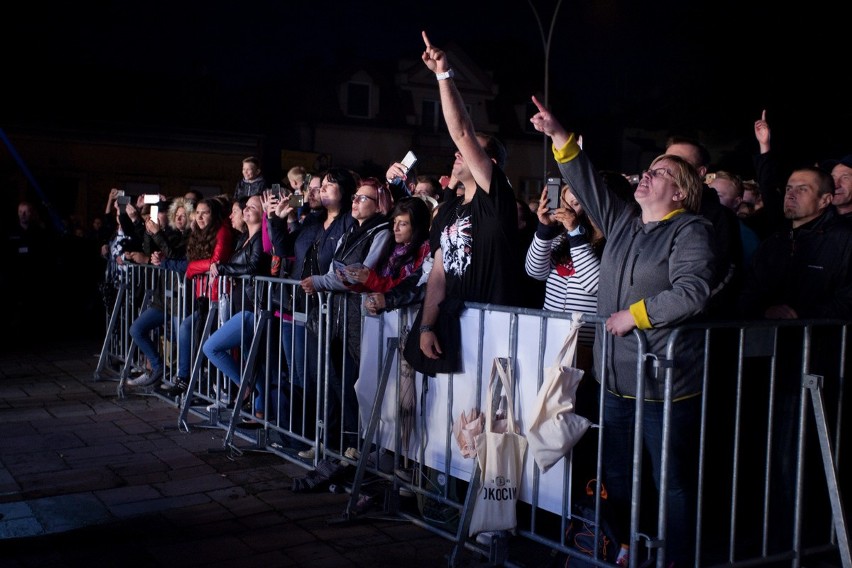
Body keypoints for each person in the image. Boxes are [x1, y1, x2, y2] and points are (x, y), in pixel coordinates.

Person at [530, 95, 717, 567]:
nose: (646, 174)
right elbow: (587, 185)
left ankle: (674, 554)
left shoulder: (691, 230)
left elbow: (693, 291)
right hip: (616, 382)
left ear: (680, 193)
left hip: (665, 387)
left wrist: (634, 315)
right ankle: (629, 542)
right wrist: (558, 136)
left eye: (661, 173)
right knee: (618, 470)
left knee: (670, 479)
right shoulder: (623, 223)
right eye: (648, 168)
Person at [736, 166, 852, 550]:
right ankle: (769, 536)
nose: (791, 194)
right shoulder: (774, 242)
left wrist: (802, 318)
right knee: (764, 452)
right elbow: (747, 292)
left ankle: (800, 542)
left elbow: (847, 299)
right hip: (768, 366)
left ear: (826, 199)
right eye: (788, 188)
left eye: (803, 189)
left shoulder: (844, 240)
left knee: (798, 458)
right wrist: (765, 309)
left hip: (817, 367)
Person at [415, 31, 523, 372]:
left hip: (492, 333)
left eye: (470, 151)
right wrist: (427, 325)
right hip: (451, 328)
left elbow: (461, 131)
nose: (458, 153)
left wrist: (443, 75)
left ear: (487, 162)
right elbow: (438, 272)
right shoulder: (448, 211)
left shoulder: (497, 196)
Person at [300, 176, 393, 454]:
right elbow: (336, 272)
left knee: (355, 385)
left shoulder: (382, 232)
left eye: (362, 198)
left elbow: (358, 275)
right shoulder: (350, 231)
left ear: (379, 205)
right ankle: (333, 444)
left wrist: (319, 282)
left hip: (359, 318)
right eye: (355, 197)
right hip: (339, 316)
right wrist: (326, 279)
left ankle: (356, 445)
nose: (355, 201)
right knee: (335, 383)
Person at [201, 195, 272, 422]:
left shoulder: (262, 238)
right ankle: (260, 410)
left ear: (264, 213)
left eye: (253, 207)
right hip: (242, 305)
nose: (247, 210)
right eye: (246, 207)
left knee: (211, 347)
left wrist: (224, 269)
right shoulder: (244, 237)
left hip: (252, 309)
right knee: (254, 361)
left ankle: (245, 386)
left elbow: (252, 266)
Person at [158, 197, 234, 397]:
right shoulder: (199, 234)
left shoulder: (223, 232)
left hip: (219, 297)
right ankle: (186, 379)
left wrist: (192, 268)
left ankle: (212, 387)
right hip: (204, 297)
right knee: (189, 329)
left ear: (214, 214)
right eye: (198, 212)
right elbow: (199, 263)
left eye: (205, 212)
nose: (200, 216)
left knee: (203, 338)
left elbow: (216, 262)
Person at [664, 135, 743, 318]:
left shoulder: (721, 217)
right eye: (667, 159)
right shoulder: (643, 210)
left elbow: (726, 272)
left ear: (700, 172)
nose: (669, 167)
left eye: (681, 161)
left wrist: (681, 310)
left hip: (690, 324)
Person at [524, 181, 603, 361]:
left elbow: (594, 284)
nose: (568, 211)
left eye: (575, 205)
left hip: (585, 344)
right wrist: (544, 230)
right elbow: (535, 271)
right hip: (551, 339)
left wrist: (575, 233)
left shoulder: (609, 243)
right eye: (564, 204)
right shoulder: (561, 239)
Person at [126, 198, 194, 387]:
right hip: (163, 297)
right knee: (136, 329)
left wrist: (158, 236)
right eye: (177, 216)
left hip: (180, 299)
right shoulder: (171, 234)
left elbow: (174, 256)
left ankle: (182, 382)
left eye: (184, 216)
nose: (180, 219)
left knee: (181, 342)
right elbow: (152, 250)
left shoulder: (191, 237)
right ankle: (158, 367)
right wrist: (150, 234)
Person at [707, 171, 760, 267]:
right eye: (708, 193)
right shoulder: (695, 226)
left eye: (718, 195)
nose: (710, 198)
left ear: (737, 202)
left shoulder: (747, 238)